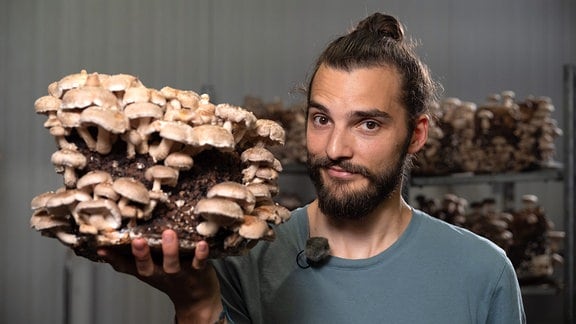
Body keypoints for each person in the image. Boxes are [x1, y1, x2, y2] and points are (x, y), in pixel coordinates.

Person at [98, 12, 526, 323]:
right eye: (321, 119)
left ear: (416, 135)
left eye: (368, 124)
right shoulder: (244, 254)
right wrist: (196, 308)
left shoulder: (481, 273)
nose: (335, 148)